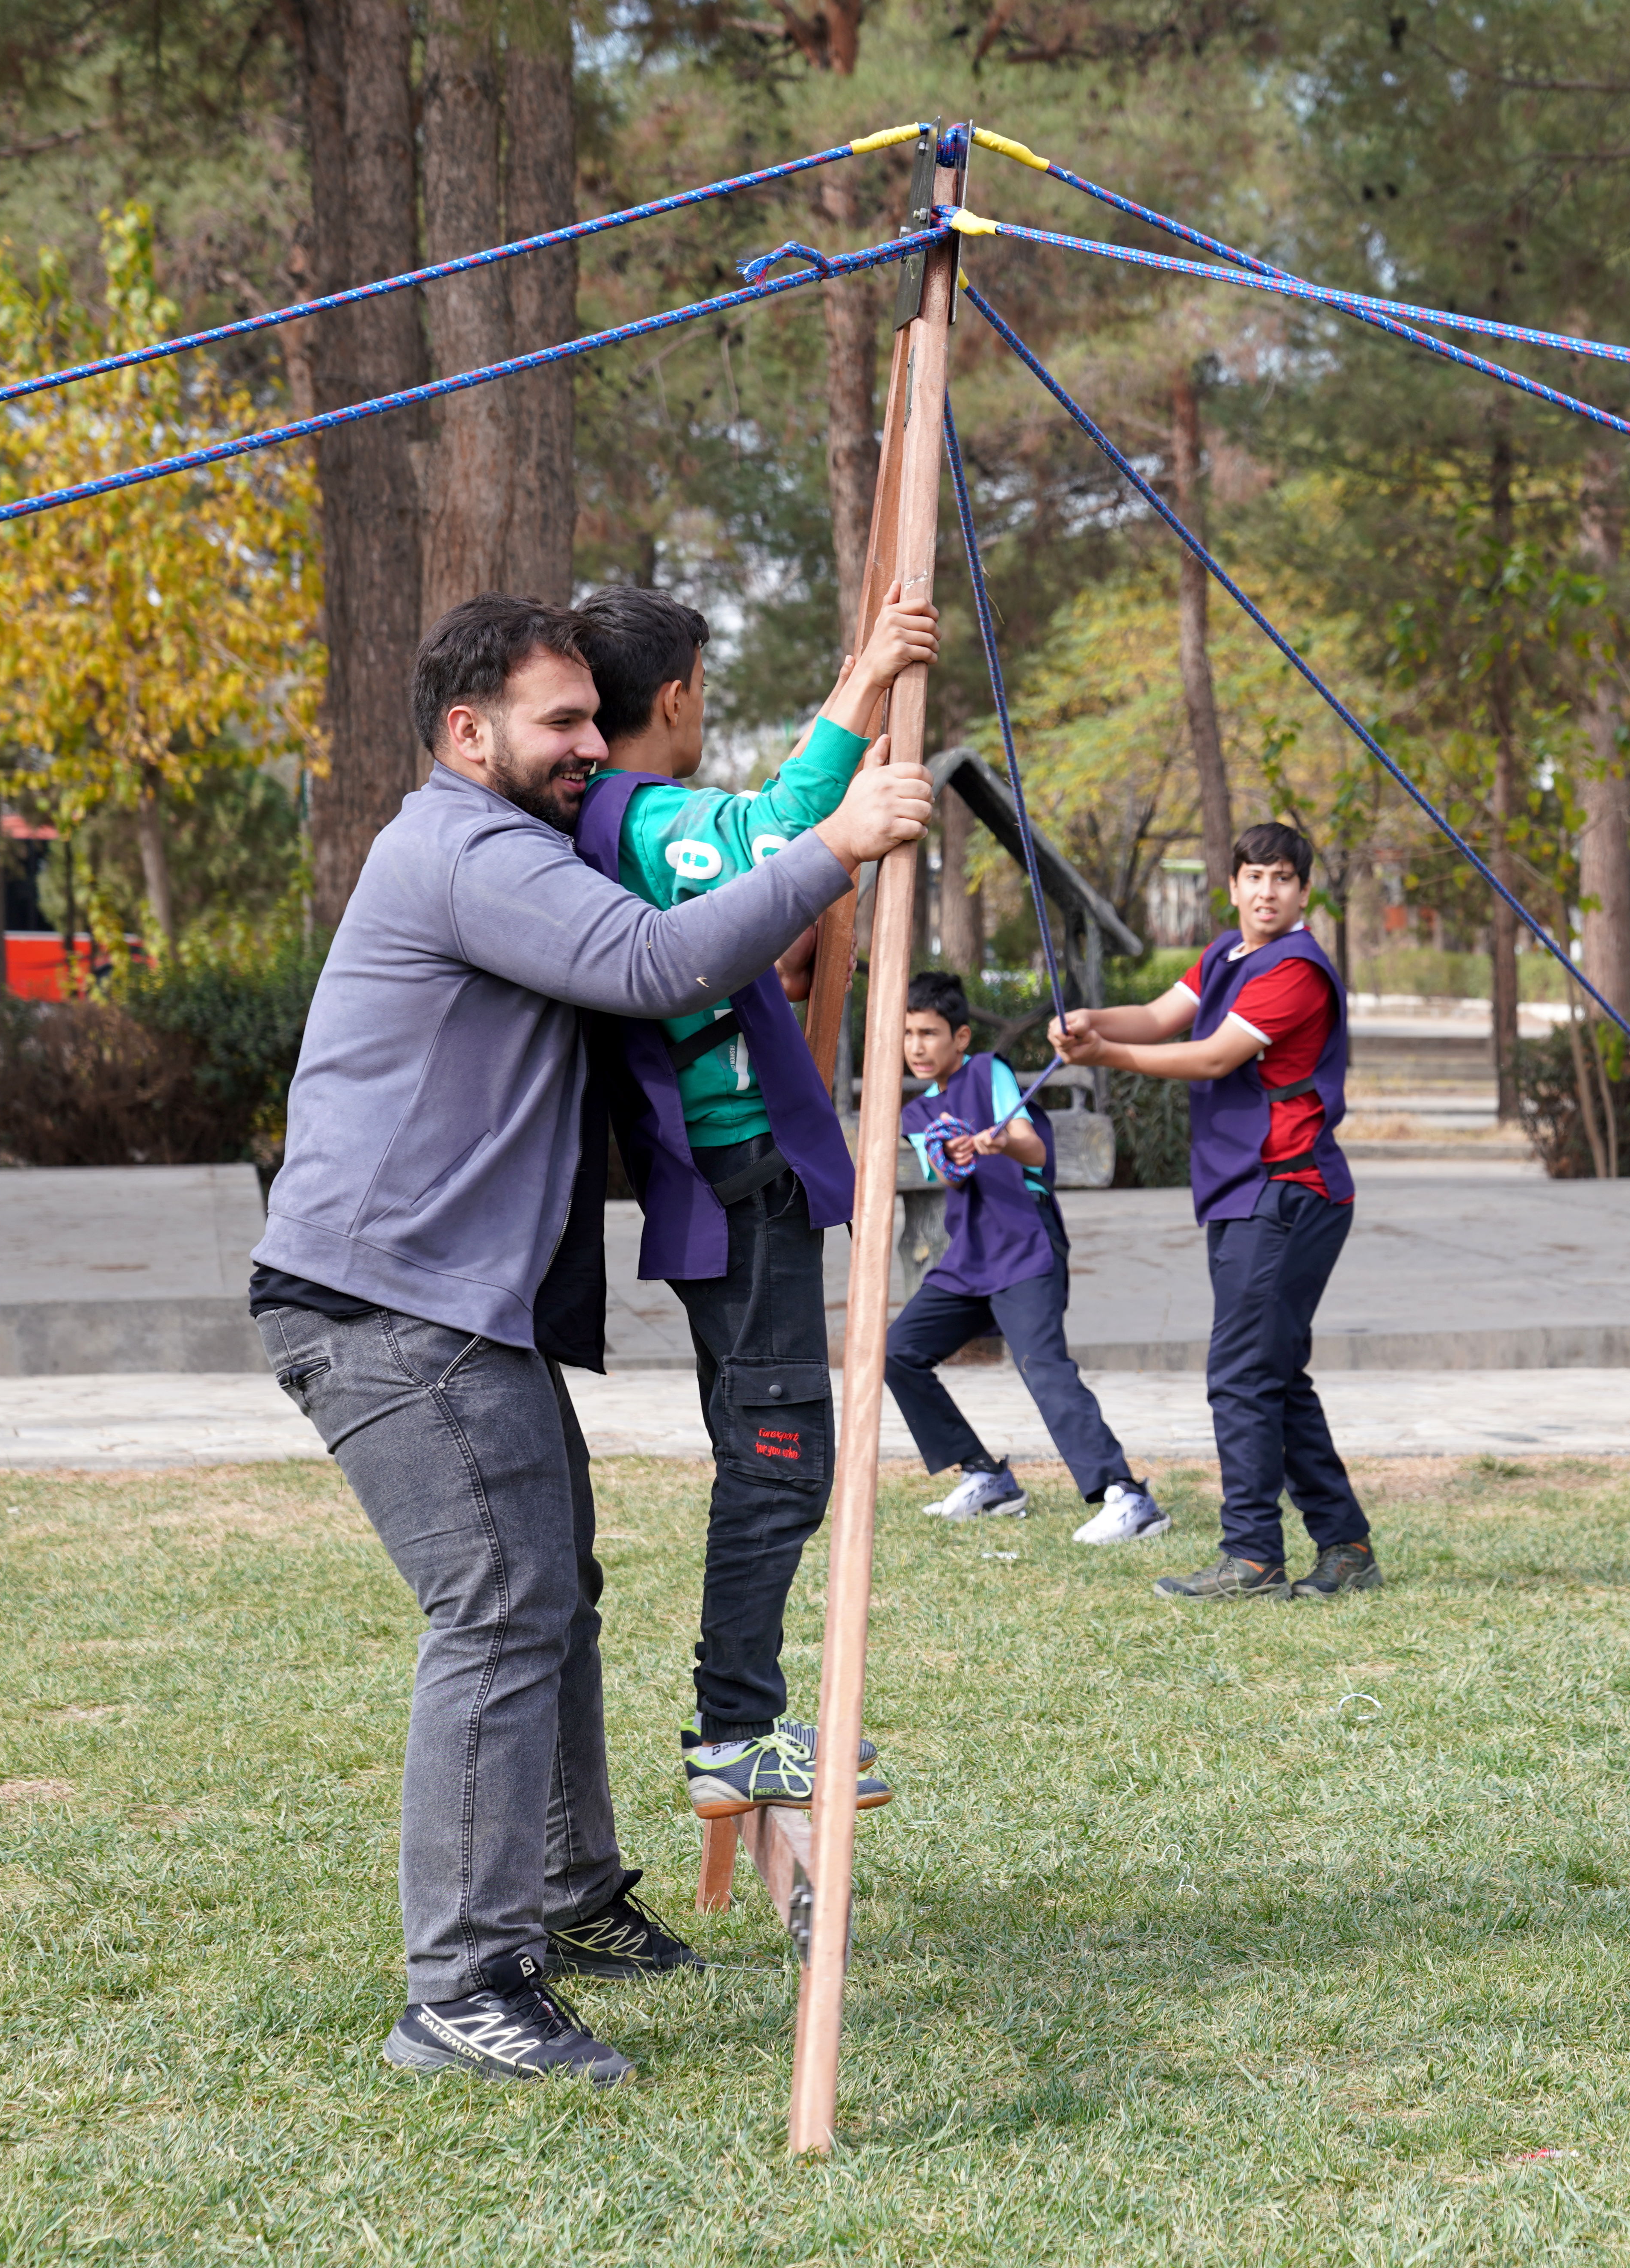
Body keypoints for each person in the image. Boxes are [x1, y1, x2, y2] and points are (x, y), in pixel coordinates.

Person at [251, 593, 931, 2086]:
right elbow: (651, 963)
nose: (585, 748)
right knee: (500, 1601)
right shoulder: (470, 847)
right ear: (465, 732)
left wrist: (860, 691)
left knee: (550, 1584)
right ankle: (463, 1986)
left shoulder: (510, 834)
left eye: (588, 718)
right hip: (386, 1307)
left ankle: (562, 1895)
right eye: (557, 724)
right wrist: (838, 846)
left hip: (450, 1308)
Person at [567, 583, 935, 1823]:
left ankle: (742, 1717)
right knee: (782, 1455)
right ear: (674, 700)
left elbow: (750, 853)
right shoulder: (639, 813)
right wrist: (870, 672)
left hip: (725, 1182)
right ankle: (735, 1728)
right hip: (734, 1182)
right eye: (702, 694)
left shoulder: (617, 817)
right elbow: (780, 829)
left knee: (766, 1448)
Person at [1051, 822, 1375, 1602]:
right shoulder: (1228, 955)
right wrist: (1095, 1022)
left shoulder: (1296, 969)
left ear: (1304, 892)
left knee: (1240, 1374)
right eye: (1254, 877)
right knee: (1272, 1374)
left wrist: (1105, 1058)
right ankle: (1347, 1547)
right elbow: (1163, 1017)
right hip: (1246, 1193)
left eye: (1283, 879)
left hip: (1289, 1191)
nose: (1267, 891)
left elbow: (1212, 1055)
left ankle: (1253, 1557)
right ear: (1230, 887)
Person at [884, 969, 1165, 1544]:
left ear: (961, 1038)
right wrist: (958, 1153)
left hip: (1024, 1240)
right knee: (897, 1352)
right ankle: (986, 1477)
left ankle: (1127, 1497)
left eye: (930, 1033)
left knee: (1043, 1367)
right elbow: (951, 1179)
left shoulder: (990, 1073)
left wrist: (1002, 1139)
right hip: (971, 1255)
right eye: (909, 1033)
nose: (917, 1046)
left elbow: (1032, 1145)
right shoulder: (916, 1115)